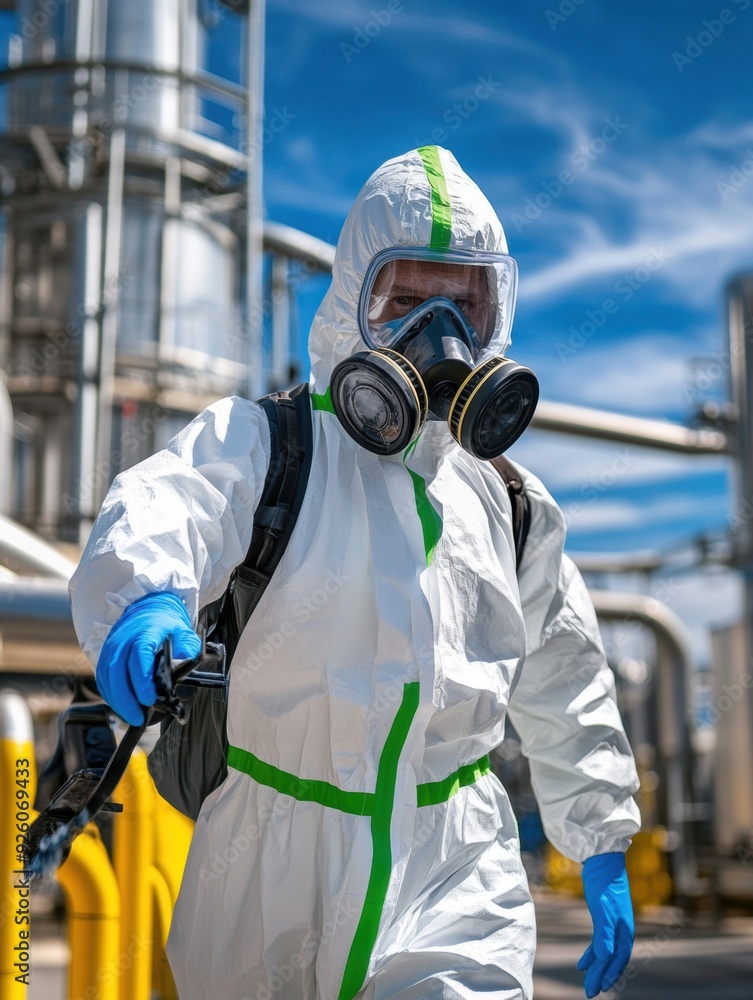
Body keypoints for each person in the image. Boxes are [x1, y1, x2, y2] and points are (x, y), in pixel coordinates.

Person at [70, 146, 640, 1000]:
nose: (437, 338)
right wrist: (143, 602)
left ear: (494, 318)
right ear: (351, 307)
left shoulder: (511, 505)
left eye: (462, 306)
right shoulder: (271, 445)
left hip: (455, 865)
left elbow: (564, 674)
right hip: (264, 859)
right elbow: (164, 507)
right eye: (405, 303)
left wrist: (599, 836)